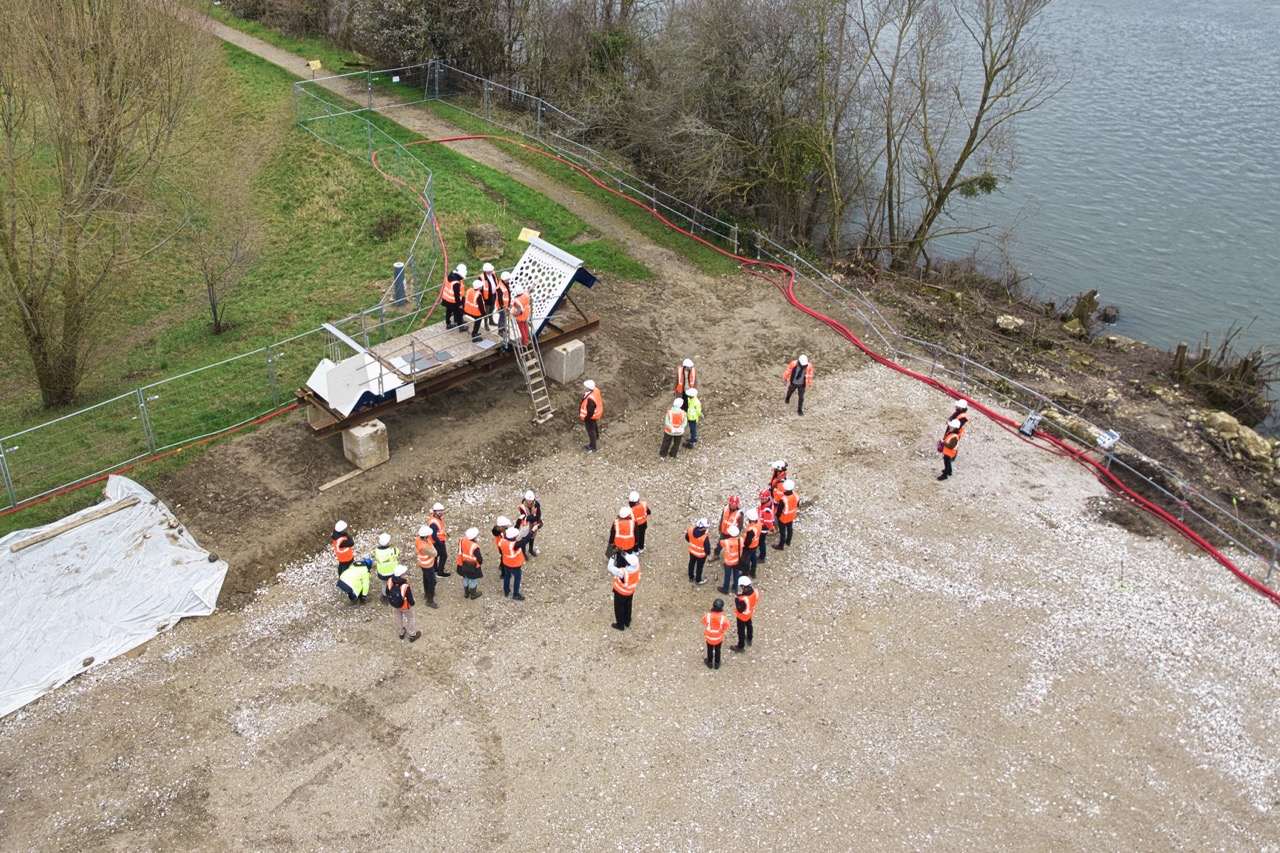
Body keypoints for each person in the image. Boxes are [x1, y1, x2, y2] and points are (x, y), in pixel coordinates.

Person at [387, 564, 421, 642]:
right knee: (410, 618)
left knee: (398, 617)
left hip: (395, 604)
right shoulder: (405, 586)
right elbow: (410, 599)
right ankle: (412, 634)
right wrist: (412, 604)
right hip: (405, 606)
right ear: (401, 575)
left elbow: (387, 592)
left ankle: (401, 633)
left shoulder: (389, 581)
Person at [607, 550, 639, 631]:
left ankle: (620, 624)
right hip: (630, 591)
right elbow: (630, 560)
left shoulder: (623, 572)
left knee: (619, 608)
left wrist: (612, 556)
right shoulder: (637, 566)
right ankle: (627, 621)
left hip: (621, 592)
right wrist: (623, 553)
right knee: (628, 605)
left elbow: (610, 567)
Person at [730, 576, 759, 653]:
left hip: (742, 617)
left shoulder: (744, 599)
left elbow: (740, 609)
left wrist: (736, 599)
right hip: (750, 613)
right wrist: (742, 594)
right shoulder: (755, 592)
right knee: (749, 625)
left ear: (743, 586)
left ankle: (740, 646)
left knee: (741, 631)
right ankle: (749, 638)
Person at [414, 525, 440, 609]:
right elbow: (435, 553)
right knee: (432, 582)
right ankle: (430, 600)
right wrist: (432, 546)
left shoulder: (418, 539)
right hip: (427, 565)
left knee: (426, 578)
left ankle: (426, 593)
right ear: (425, 536)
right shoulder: (424, 546)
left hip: (423, 564)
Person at [499, 527, 526, 600]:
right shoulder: (515, 545)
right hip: (515, 565)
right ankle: (516, 594)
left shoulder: (502, 541)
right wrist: (532, 531)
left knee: (507, 577)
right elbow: (525, 540)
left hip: (506, 563)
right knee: (517, 579)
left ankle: (506, 591)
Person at [703, 599, 730, 670]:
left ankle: (709, 662)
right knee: (718, 650)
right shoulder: (723, 618)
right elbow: (726, 626)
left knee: (709, 649)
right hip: (718, 638)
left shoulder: (707, 616)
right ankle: (717, 663)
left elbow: (703, 621)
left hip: (709, 637)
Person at [457, 527, 484, 599]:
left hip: (462, 563)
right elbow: (480, 559)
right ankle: (473, 594)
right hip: (472, 567)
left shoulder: (461, 540)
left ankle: (466, 593)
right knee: (473, 580)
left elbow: (459, 550)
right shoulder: (475, 546)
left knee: (465, 578)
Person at [427, 503, 451, 577]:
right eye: (438, 511)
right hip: (437, 541)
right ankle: (440, 572)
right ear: (434, 511)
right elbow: (434, 536)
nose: (440, 512)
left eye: (441, 510)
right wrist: (440, 543)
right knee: (444, 556)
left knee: (436, 555)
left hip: (435, 541)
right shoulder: (434, 523)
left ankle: (435, 569)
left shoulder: (436, 518)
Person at [774, 480, 798, 551]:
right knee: (790, 528)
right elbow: (797, 504)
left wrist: (778, 516)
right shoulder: (796, 495)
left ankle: (781, 545)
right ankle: (788, 541)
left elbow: (779, 510)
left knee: (782, 531)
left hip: (784, 518)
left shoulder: (783, 499)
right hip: (792, 515)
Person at [517, 490, 542, 557]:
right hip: (525, 525)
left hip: (533, 524)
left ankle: (530, 550)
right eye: (528, 499)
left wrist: (531, 518)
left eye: (530, 500)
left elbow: (538, 515)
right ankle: (523, 553)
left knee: (532, 537)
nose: (529, 501)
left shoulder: (537, 505)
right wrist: (533, 517)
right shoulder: (522, 507)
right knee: (524, 538)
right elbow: (525, 518)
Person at [373, 532, 399, 597]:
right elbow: (397, 553)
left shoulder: (376, 551)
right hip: (392, 572)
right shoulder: (393, 550)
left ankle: (384, 596)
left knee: (384, 585)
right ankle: (393, 595)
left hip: (382, 573)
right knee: (393, 584)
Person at [719, 524, 743, 594]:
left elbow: (721, 543)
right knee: (736, 574)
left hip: (728, 562)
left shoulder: (726, 542)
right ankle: (735, 588)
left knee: (727, 575)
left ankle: (725, 589)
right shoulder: (741, 540)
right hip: (737, 561)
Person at [580, 379, 602, 452]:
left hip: (590, 417)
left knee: (590, 430)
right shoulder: (595, 391)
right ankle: (597, 436)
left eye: (585, 386)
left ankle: (593, 446)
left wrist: (586, 418)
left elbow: (590, 411)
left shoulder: (590, 399)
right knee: (594, 425)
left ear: (588, 388)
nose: (584, 387)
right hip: (596, 415)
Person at [686, 518, 710, 584]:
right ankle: (698, 580)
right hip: (701, 555)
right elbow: (707, 550)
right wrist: (707, 553)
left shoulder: (690, 529)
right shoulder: (705, 537)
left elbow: (687, 538)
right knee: (699, 567)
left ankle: (691, 577)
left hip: (692, 551)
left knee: (691, 563)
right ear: (702, 528)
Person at [442, 263, 466, 330]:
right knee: (459, 312)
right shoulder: (456, 283)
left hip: (447, 299)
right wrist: (459, 304)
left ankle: (448, 323)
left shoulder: (451, 276)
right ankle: (460, 326)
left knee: (448, 312)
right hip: (453, 301)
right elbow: (456, 295)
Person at [491, 515, 512, 590]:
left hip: (500, 546)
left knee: (502, 557)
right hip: (502, 547)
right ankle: (503, 573)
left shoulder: (497, 530)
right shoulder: (500, 532)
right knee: (504, 559)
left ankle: (501, 566)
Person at [756, 489, 776, 564]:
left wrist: (771, 528)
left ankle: (762, 557)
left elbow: (768, 522)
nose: (761, 500)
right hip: (762, 525)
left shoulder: (766, 510)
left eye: (763, 499)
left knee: (762, 542)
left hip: (762, 528)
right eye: (761, 498)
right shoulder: (768, 504)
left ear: (767, 498)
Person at [741, 508, 762, 577]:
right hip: (755, 544)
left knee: (746, 559)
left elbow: (748, 541)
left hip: (750, 546)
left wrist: (745, 547)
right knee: (754, 558)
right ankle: (753, 572)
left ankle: (745, 573)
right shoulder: (758, 523)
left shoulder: (751, 529)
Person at [479, 262, 500, 329]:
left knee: (492, 309)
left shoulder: (493, 274)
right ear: (486, 271)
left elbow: (497, 281)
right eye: (490, 270)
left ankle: (491, 321)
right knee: (486, 311)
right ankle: (486, 324)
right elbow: (480, 289)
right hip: (486, 298)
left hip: (493, 295)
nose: (492, 271)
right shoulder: (481, 277)